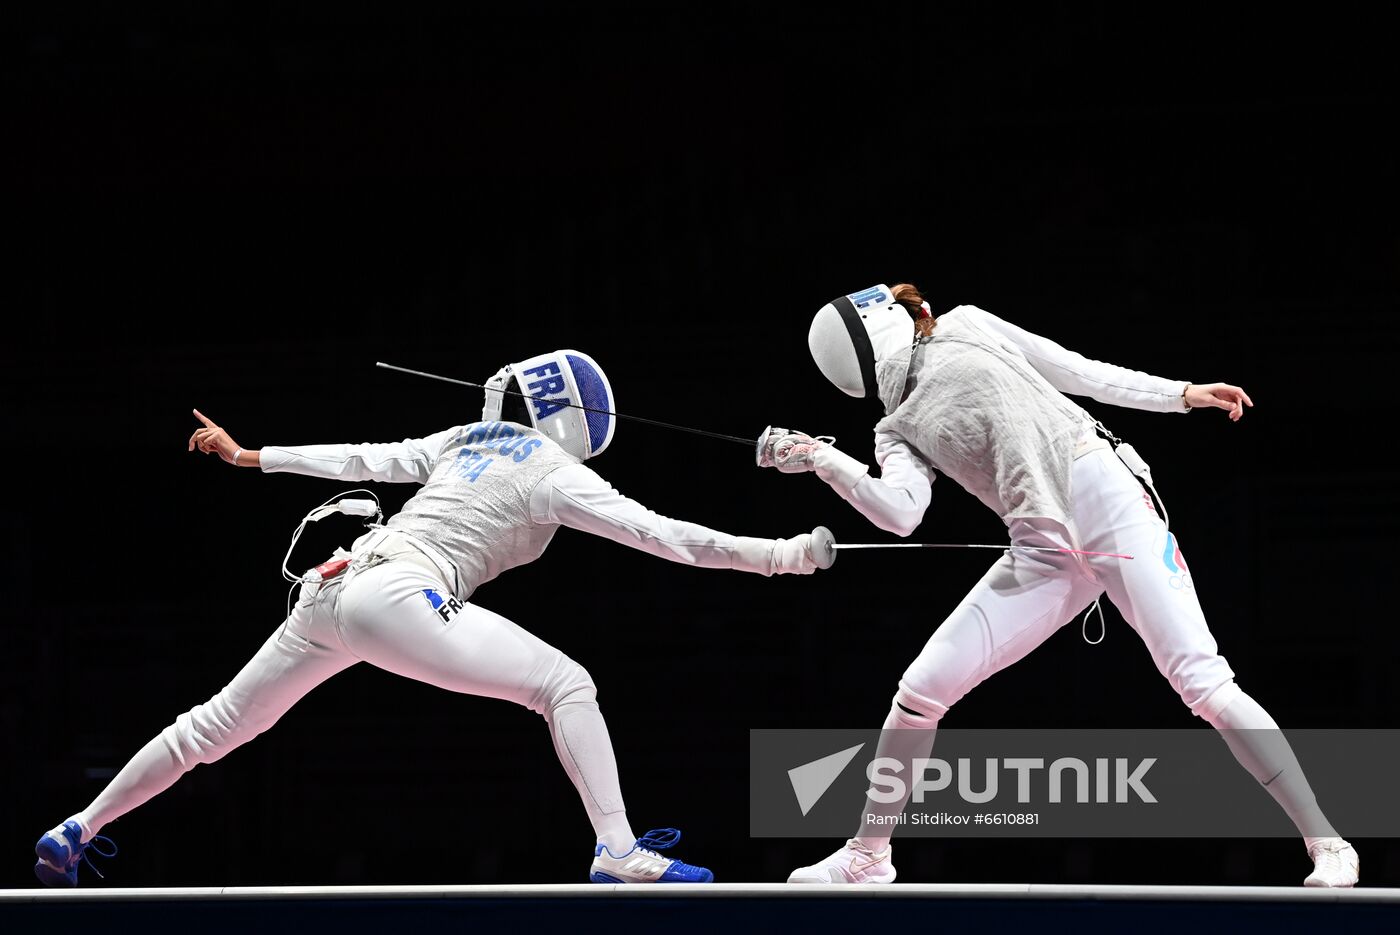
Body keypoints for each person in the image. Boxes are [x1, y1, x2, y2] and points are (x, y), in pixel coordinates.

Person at [34, 348, 832, 887]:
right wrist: (783, 554)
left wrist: (252, 458)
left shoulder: (467, 436)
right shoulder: (555, 470)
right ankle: (618, 850)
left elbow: (361, 456)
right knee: (566, 683)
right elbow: (667, 537)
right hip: (401, 595)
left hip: (333, 586)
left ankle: (79, 824)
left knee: (212, 726)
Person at [759, 285, 1357, 887]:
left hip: (1113, 508)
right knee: (920, 690)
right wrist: (820, 459)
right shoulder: (895, 428)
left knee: (1203, 681)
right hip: (1041, 547)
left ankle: (1328, 843)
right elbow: (901, 514)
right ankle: (868, 855)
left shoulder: (965, 325)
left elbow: (1076, 370)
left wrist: (1178, 395)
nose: (916, 305)